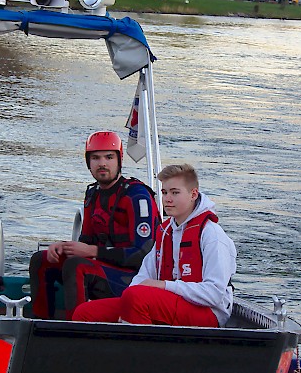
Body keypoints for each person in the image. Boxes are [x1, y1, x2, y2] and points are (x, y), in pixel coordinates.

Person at [73, 163, 235, 328]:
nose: (167, 199)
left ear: (193, 194)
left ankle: (141, 351)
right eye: (164, 192)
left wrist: (164, 286)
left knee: (136, 298)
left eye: (175, 192)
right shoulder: (165, 232)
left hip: (208, 312)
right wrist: (125, 305)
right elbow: (143, 276)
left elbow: (214, 294)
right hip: (171, 303)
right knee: (85, 312)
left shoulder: (211, 234)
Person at [28, 131, 159, 320]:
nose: (102, 163)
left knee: (76, 266)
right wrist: (63, 247)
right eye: (95, 158)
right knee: (42, 259)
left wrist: (93, 252)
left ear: (119, 160)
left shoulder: (137, 197)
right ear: (88, 162)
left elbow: (143, 254)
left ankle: (78, 327)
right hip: (103, 268)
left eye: (109, 157)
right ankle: (39, 323)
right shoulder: (93, 195)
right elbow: (86, 242)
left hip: (134, 278)